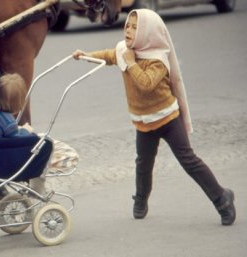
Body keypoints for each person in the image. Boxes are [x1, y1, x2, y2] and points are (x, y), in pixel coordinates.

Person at [72, 9, 236, 225]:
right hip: (144, 122)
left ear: (147, 33)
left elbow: (147, 84)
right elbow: (108, 55)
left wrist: (131, 63)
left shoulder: (157, 58)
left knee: (189, 161)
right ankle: (140, 200)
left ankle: (222, 199)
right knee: (143, 164)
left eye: (134, 27)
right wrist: (85, 55)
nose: (128, 31)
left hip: (168, 118)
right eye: (127, 26)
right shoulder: (124, 51)